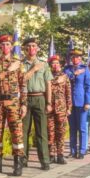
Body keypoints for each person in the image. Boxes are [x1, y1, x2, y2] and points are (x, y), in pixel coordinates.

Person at [0, 35, 27, 176]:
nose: (5, 47)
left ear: (11, 46)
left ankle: (18, 164)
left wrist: (24, 104)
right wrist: (8, 70)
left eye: (7, 44)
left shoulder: (18, 63)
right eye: (3, 44)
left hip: (13, 103)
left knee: (17, 134)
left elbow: (23, 86)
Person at [22, 37, 53, 170]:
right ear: (24, 49)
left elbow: (48, 84)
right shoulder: (21, 64)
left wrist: (49, 102)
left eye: (34, 46)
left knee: (42, 132)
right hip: (25, 99)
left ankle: (44, 160)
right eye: (28, 46)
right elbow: (21, 80)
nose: (31, 49)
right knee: (24, 132)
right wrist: (34, 69)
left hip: (40, 98)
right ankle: (23, 160)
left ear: (37, 48)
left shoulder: (44, 64)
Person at [64, 49, 90, 159]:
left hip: (81, 102)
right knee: (72, 128)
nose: (75, 59)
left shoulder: (85, 70)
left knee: (82, 128)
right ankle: (73, 150)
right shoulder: (67, 70)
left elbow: (88, 86)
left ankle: (82, 150)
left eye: (77, 57)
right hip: (70, 103)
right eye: (73, 57)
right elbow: (65, 80)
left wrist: (87, 102)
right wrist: (74, 74)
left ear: (80, 58)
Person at [47, 55, 72, 164]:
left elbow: (68, 93)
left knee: (61, 132)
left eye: (57, 63)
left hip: (61, 108)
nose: (55, 65)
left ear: (61, 65)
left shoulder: (65, 77)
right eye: (53, 63)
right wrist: (56, 81)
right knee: (50, 132)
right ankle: (51, 154)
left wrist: (69, 107)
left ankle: (60, 154)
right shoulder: (47, 76)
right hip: (50, 108)